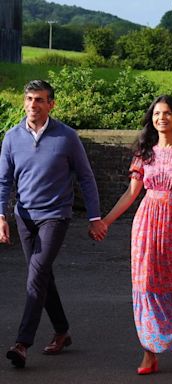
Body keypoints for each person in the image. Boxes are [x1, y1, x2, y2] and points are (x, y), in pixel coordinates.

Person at [0, 80, 107, 368]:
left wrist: (95, 217)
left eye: (39, 100)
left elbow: (85, 176)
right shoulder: (11, 137)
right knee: (43, 275)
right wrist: (1, 216)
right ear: (24, 102)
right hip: (24, 217)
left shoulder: (67, 137)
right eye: (29, 99)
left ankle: (22, 343)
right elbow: (4, 181)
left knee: (36, 274)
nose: (33, 105)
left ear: (51, 104)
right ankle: (62, 331)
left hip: (55, 215)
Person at [94, 95, 172, 375]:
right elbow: (131, 193)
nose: (161, 118)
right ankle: (150, 352)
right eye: (156, 114)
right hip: (147, 222)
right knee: (147, 284)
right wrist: (105, 221)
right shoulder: (145, 153)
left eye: (167, 113)